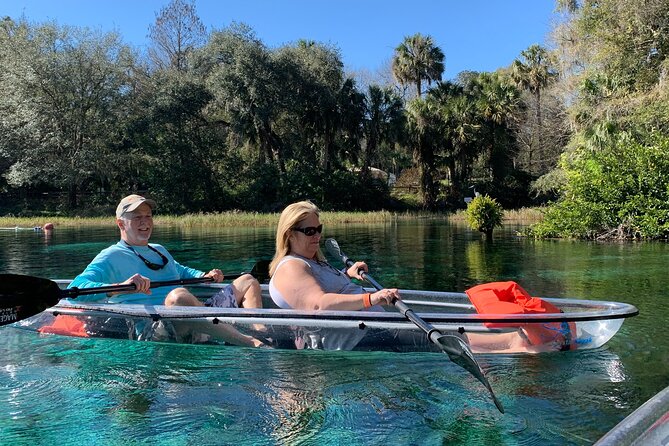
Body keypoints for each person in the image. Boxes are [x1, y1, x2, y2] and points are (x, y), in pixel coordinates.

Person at [68, 194, 264, 347]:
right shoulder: (110, 256)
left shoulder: (159, 250)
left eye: (148, 216)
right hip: (156, 329)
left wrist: (203, 276)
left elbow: (180, 271)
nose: (145, 222)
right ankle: (248, 342)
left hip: (196, 318)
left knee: (247, 280)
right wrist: (119, 287)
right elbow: (75, 289)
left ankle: (263, 333)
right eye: (137, 218)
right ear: (121, 224)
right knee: (178, 297)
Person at [268, 201, 400, 349]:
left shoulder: (313, 261)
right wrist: (372, 298)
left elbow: (324, 286)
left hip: (370, 333)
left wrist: (346, 274)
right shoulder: (291, 267)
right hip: (354, 342)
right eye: (310, 231)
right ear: (290, 234)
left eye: (319, 229)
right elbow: (319, 304)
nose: (317, 235)